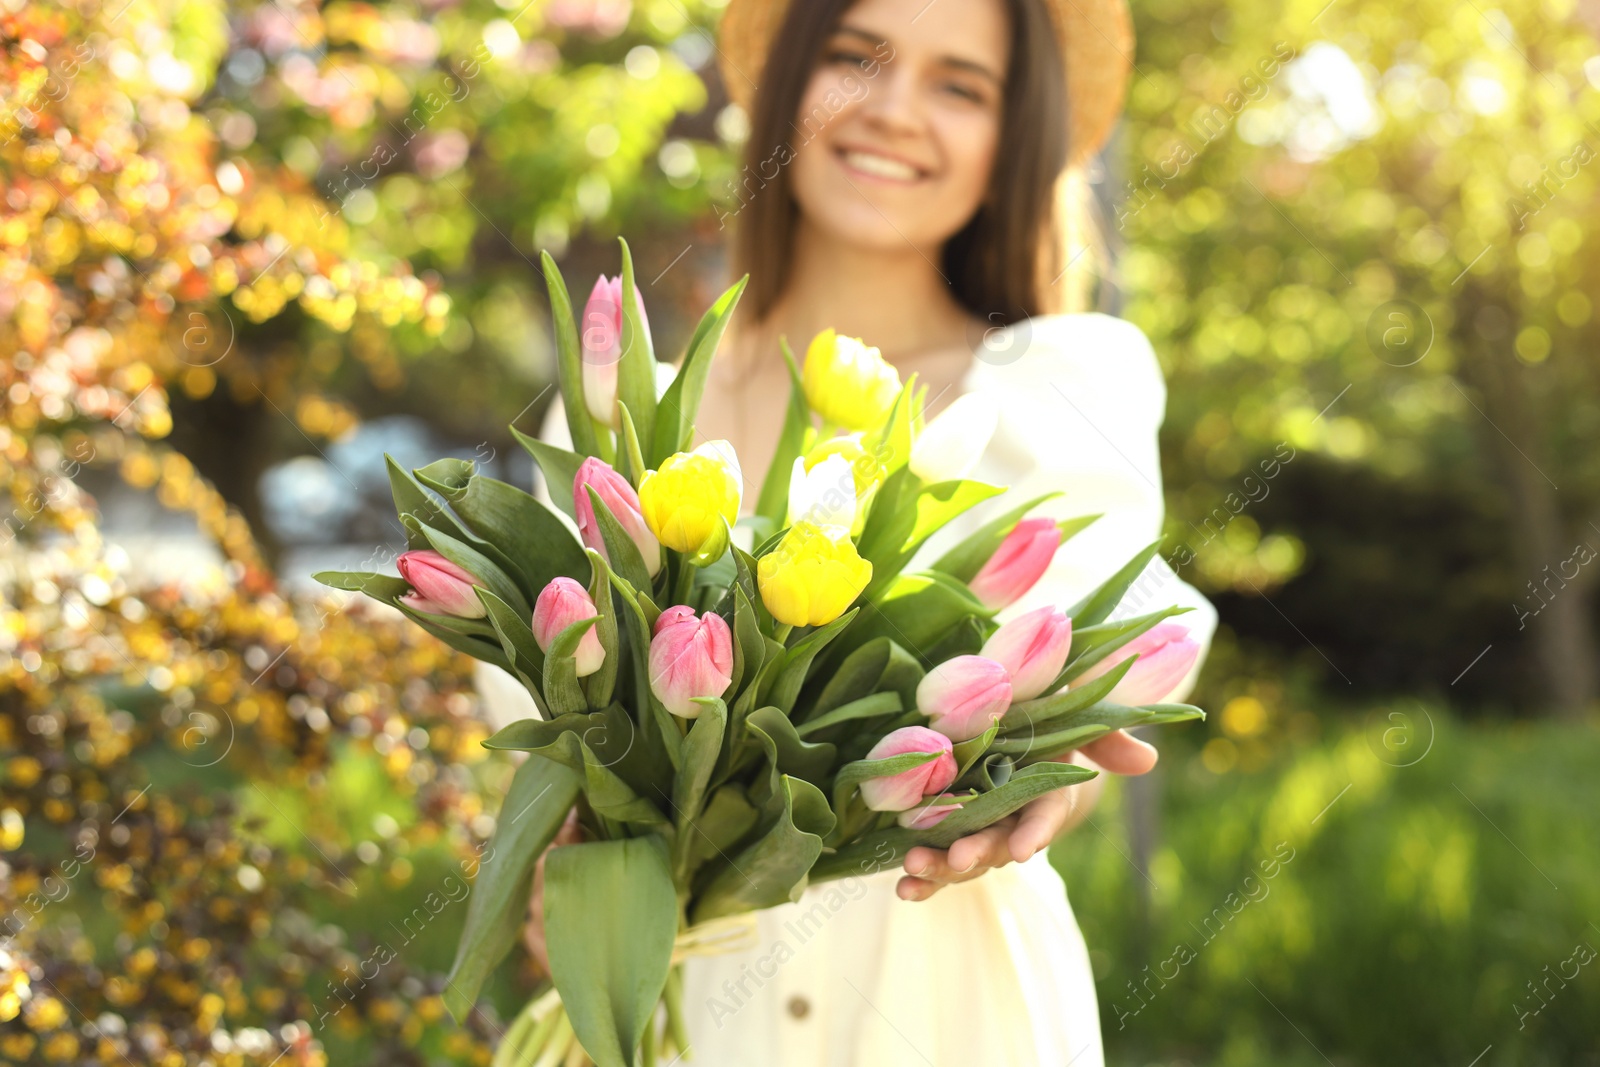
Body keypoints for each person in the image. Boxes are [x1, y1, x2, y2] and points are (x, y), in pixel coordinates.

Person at [485, 0, 1220, 1062]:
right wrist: (566, 880)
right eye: (854, 58)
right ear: (788, 81)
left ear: (1011, 139)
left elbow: (1106, 640)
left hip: (940, 996)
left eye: (961, 85)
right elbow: (538, 743)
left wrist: (1055, 774)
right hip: (672, 1001)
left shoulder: (1056, 387)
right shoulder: (618, 415)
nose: (894, 111)